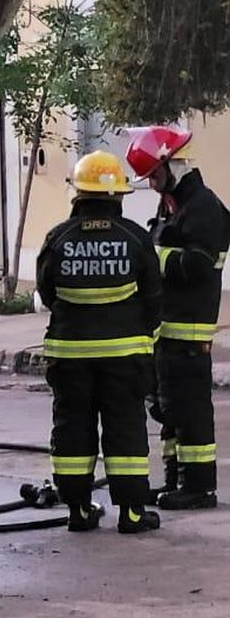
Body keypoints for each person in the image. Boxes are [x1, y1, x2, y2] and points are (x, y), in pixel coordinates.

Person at [36, 151, 163, 534]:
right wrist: (146, 339)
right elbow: (154, 298)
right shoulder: (136, 238)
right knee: (125, 429)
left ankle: (78, 510)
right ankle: (133, 514)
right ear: (118, 197)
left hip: (70, 357)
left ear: (78, 194)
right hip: (125, 357)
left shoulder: (58, 238)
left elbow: (46, 292)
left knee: (73, 428)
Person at [126, 125, 230, 510]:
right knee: (169, 411)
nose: (152, 184)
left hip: (189, 331)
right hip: (167, 329)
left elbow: (199, 266)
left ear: (172, 163)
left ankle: (199, 486)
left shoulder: (203, 208)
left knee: (190, 412)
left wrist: (153, 258)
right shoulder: (173, 204)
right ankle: (175, 480)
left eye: (154, 174)